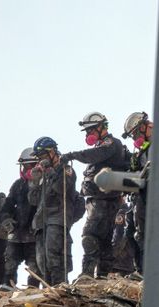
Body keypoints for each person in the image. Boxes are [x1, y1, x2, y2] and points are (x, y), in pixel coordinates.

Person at [62, 112, 129, 278]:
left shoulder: (110, 144)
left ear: (101, 127)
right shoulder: (103, 147)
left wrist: (72, 155)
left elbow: (95, 155)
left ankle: (87, 275)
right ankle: (102, 277)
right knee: (105, 242)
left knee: (90, 237)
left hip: (104, 202)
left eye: (91, 130)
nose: (88, 135)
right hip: (101, 201)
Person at [29, 137, 77, 286]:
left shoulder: (66, 169)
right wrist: (35, 182)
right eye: (39, 158)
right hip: (41, 221)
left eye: (43, 156)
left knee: (53, 256)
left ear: (52, 152)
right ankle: (48, 288)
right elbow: (33, 200)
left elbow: (61, 188)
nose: (41, 160)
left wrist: (50, 172)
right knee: (41, 260)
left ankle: (60, 286)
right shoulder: (44, 174)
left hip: (57, 218)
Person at [0, 148, 41, 287]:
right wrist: (6, 219)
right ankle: (8, 288)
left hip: (35, 235)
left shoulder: (45, 184)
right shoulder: (18, 185)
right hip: (16, 234)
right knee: (9, 263)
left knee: (35, 267)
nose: (25, 169)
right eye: (24, 166)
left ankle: (33, 291)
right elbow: (7, 206)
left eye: (29, 166)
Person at [122, 111, 151, 271]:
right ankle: (139, 270)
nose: (134, 138)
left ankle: (146, 270)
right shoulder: (143, 149)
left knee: (144, 234)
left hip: (149, 196)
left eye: (135, 134)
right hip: (137, 197)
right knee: (130, 234)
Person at [111, 200, 138, 276]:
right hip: (128, 263)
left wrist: (111, 257)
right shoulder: (131, 210)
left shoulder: (121, 212)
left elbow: (119, 237)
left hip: (119, 265)